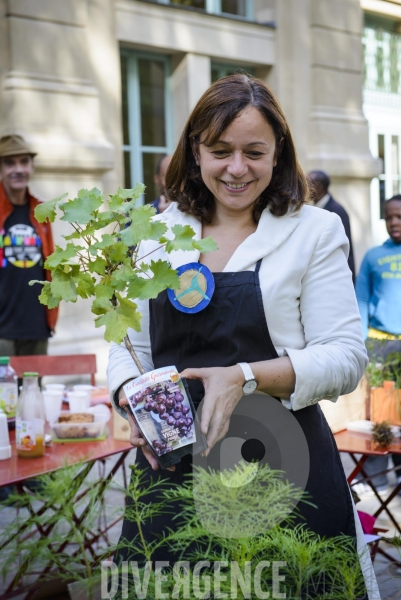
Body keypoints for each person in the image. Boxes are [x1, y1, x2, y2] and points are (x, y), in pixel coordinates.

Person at [107, 76, 375, 596]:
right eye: (220, 150)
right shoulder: (157, 234)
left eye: (254, 151)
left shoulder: (313, 232)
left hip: (286, 464)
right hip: (175, 473)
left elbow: (345, 357)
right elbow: (128, 348)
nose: (236, 168)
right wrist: (129, 399)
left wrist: (244, 377)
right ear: (195, 151)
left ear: (278, 154)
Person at [355, 195, 401, 492]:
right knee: (380, 411)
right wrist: (359, 341)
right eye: (389, 217)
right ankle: (374, 477)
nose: (394, 222)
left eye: (399, 216)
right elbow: (360, 298)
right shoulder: (372, 256)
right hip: (380, 344)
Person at [0, 134, 58, 358]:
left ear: (32, 166)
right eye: (9, 162)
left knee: (34, 392)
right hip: (3, 330)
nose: (18, 169)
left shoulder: (41, 211)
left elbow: (49, 266)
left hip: (37, 328)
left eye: (24, 161)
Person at [307, 170, 355, 281]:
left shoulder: (336, 211)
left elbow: (345, 248)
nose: (306, 188)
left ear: (319, 186)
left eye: (308, 183)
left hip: (334, 277)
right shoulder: (314, 209)